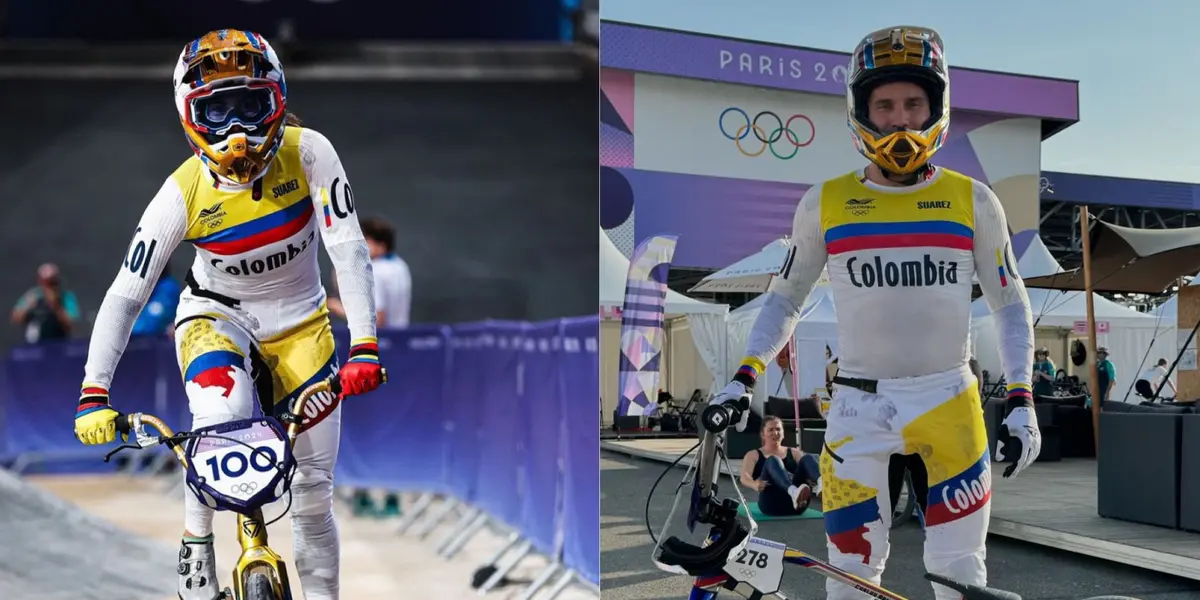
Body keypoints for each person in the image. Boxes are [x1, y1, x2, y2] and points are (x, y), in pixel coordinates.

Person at [708, 26, 1040, 600]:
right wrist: (744, 377)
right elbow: (785, 298)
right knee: (851, 575)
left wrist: (1021, 399)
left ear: (937, 107)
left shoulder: (975, 199)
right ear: (861, 111)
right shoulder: (825, 202)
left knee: (961, 572)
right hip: (859, 409)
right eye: (884, 105)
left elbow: (1011, 303)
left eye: (915, 102)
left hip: (950, 401)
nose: (901, 119)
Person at [71, 30, 385, 600]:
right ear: (189, 116)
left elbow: (349, 248)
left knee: (313, 498)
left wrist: (364, 343)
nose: (237, 130)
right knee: (220, 421)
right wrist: (94, 391)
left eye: (250, 105)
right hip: (215, 318)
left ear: (278, 100)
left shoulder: (310, 151)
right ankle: (197, 543)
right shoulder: (181, 193)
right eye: (217, 111)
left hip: (303, 325)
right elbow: (125, 295)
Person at [329, 216, 411, 328]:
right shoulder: (400, 265)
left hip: (383, 341)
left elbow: (377, 320)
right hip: (402, 338)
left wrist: (340, 309)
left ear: (382, 246)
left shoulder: (375, 271)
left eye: (364, 241)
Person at [739, 416, 818, 516]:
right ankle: (792, 491)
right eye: (770, 430)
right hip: (771, 505)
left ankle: (822, 483)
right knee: (773, 460)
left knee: (808, 458)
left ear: (783, 433)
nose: (775, 433)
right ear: (763, 434)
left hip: (798, 507)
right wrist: (754, 484)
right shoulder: (753, 454)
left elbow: (807, 466)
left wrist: (811, 478)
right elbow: (744, 477)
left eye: (778, 429)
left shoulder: (794, 452)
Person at [12, 262, 82, 344]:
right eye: (46, 283)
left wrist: (56, 306)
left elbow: (72, 324)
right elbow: (16, 317)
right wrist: (29, 308)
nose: (49, 287)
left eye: (52, 282)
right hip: (34, 344)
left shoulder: (66, 297)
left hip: (60, 343)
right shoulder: (33, 296)